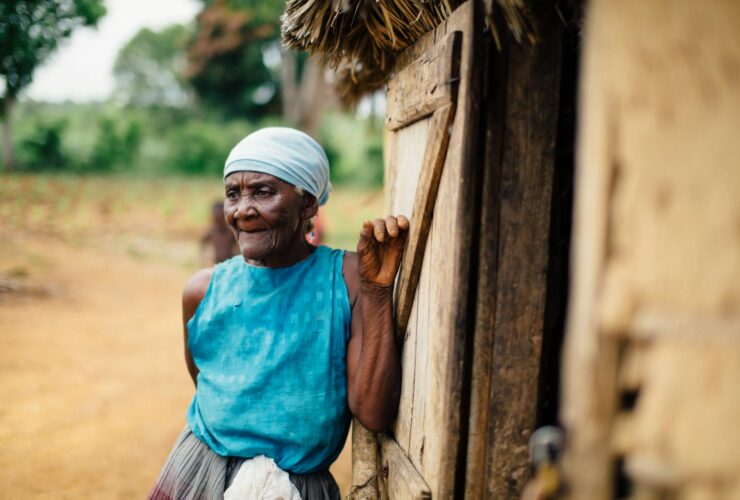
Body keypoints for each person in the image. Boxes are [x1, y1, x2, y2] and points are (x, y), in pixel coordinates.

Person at [149, 127, 408, 499]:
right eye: (233, 194)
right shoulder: (202, 291)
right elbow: (206, 384)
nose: (242, 210)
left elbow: (373, 412)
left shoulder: (348, 279)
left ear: (308, 205)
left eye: (263, 192)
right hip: (199, 473)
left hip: (298, 488)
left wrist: (378, 292)